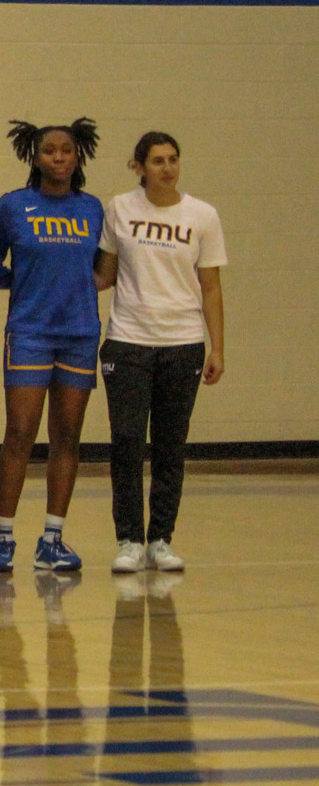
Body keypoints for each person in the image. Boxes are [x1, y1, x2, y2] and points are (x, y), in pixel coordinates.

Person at [95, 132, 227, 575]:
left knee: (171, 444)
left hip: (182, 343)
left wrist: (217, 347)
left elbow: (210, 287)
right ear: (139, 167)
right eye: (157, 161)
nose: (167, 168)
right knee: (128, 441)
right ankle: (129, 538)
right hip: (128, 340)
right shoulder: (120, 209)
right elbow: (105, 275)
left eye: (173, 159)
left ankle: (161, 539)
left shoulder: (202, 216)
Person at [0, 118, 104, 575]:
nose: (59, 157)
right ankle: (3, 537)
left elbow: (103, 269)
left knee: (67, 436)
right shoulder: (14, 207)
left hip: (79, 334)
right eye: (50, 150)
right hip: (29, 333)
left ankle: (52, 539)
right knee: (19, 433)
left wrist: (73, 289)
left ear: (79, 156)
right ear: (34, 156)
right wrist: (28, 285)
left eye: (67, 151)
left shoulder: (93, 209)